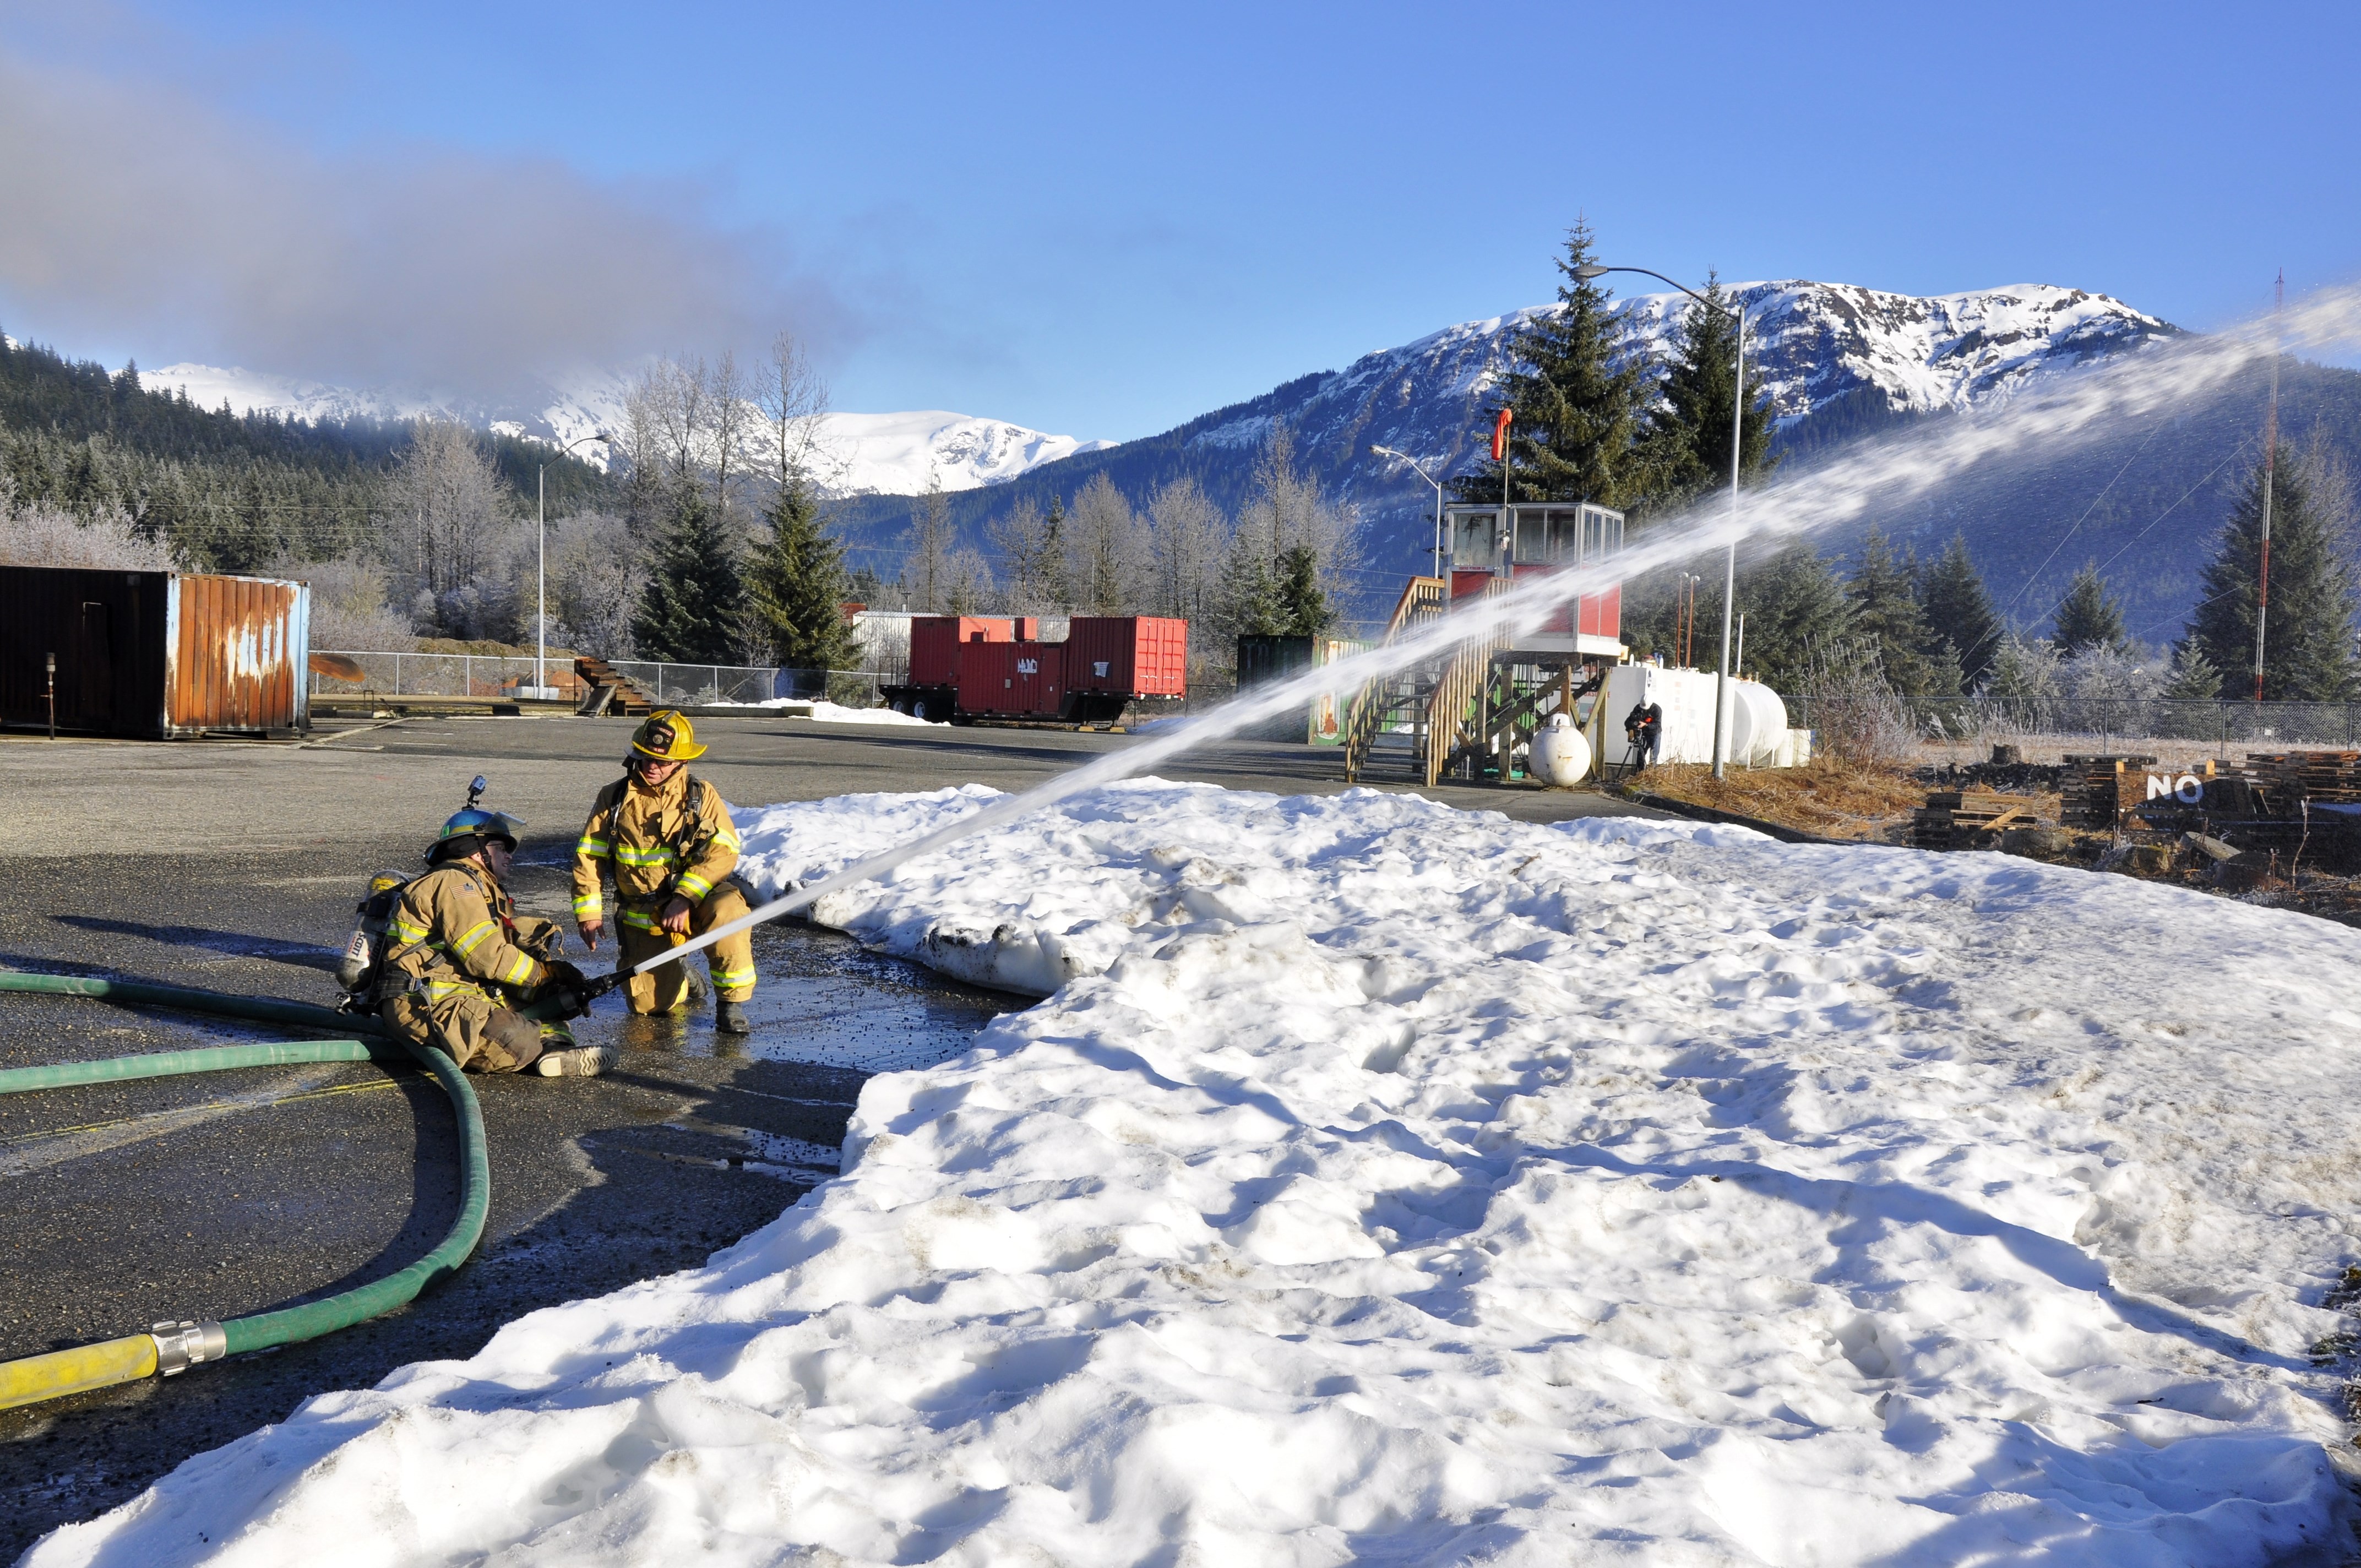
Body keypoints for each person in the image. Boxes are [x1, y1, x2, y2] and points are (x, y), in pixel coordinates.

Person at [379, 804, 611, 1076]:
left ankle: (556, 1050)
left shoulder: (481, 888)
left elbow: (496, 967)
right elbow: (486, 956)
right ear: (476, 850)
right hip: (422, 1005)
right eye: (501, 848)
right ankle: (543, 1057)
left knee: (552, 1005)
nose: (509, 856)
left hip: (464, 994)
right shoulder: (455, 883)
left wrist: (548, 991)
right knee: (515, 1036)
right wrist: (543, 974)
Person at [572, 710, 756, 1032]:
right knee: (649, 1007)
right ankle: (683, 976)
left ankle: (731, 1005)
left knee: (730, 911)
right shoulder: (614, 797)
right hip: (643, 911)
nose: (652, 766)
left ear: (683, 763)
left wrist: (685, 897)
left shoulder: (701, 796)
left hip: (698, 901)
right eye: (645, 758)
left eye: (663, 762)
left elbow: (724, 851)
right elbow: (590, 854)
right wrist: (588, 912)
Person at [1623, 697, 1663, 772]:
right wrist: (1631, 728)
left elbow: (1657, 725)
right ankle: (1640, 772)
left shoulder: (1657, 710)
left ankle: (1652, 773)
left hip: (1655, 734)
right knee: (1641, 755)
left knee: (1653, 756)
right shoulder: (1638, 708)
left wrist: (1646, 725)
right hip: (1644, 734)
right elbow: (1628, 721)